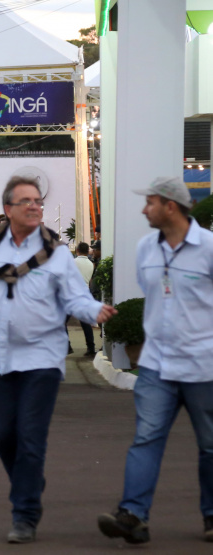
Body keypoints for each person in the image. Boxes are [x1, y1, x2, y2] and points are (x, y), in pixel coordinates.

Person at [0, 177, 113, 543]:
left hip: (42, 359)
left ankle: (25, 513)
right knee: (2, 434)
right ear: (8, 209)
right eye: (26, 201)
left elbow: (74, 298)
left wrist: (94, 309)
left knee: (31, 437)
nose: (35, 206)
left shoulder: (56, 254)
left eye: (37, 200)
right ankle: (30, 479)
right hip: (0, 361)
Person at [97, 177, 213, 545]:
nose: (144, 209)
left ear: (171, 206)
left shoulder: (209, 248)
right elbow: (153, 296)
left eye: (150, 203)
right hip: (156, 366)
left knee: (210, 445)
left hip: (203, 366)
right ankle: (132, 515)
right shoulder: (147, 248)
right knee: (145, 439)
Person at [68, 242, 97, 357]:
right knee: (85, 324)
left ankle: (67, 346)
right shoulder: (90, 264)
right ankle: (91, 348)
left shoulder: (72, 262)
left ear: (77, 250)